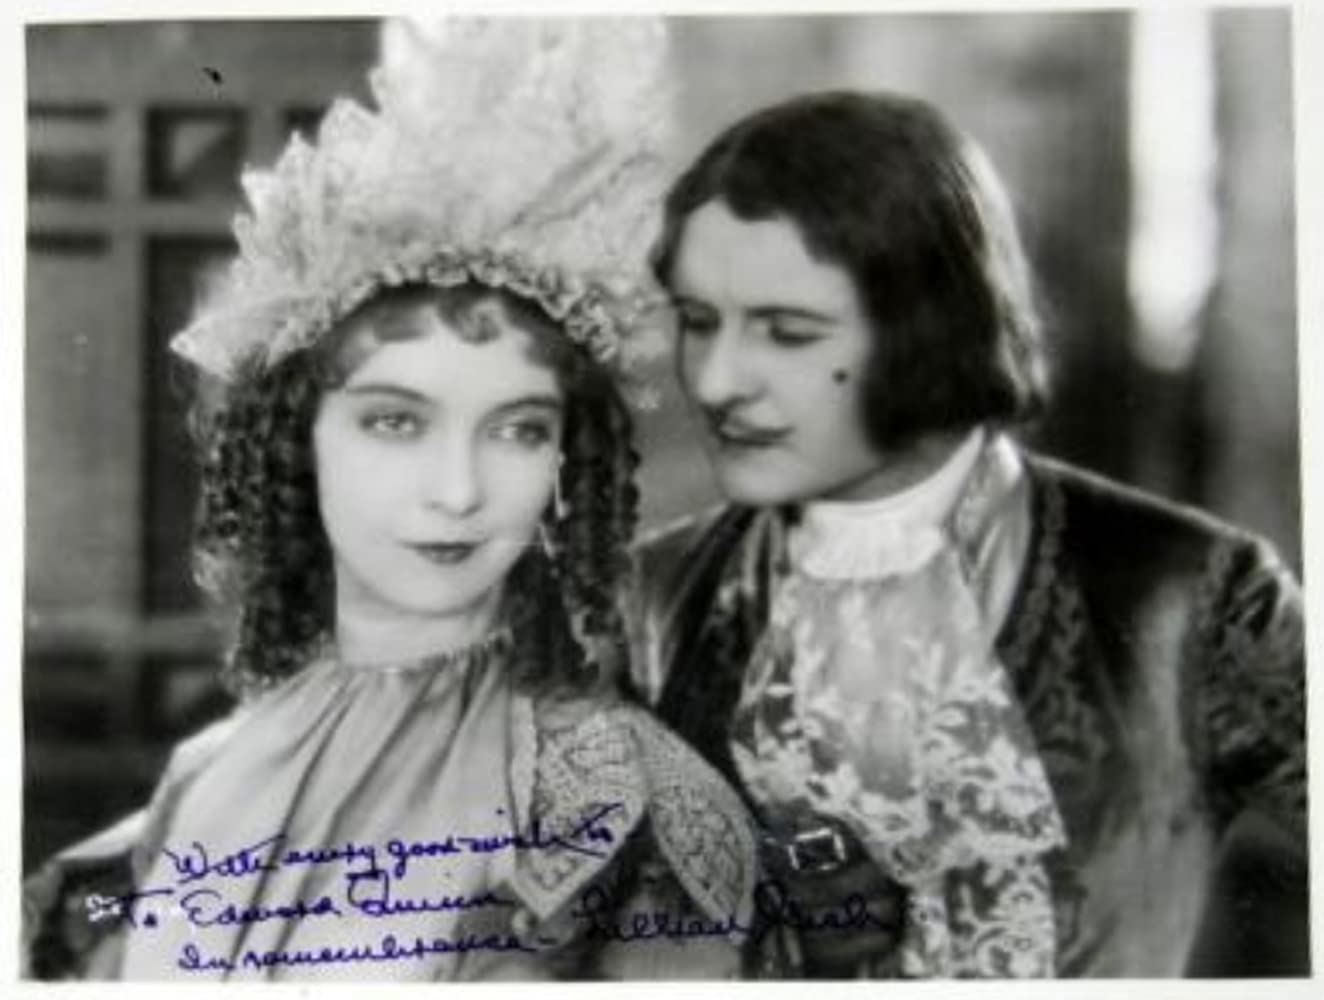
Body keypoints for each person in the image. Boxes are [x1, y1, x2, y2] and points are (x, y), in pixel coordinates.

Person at [21, 19, 757, 981]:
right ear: (298, 441)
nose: (458, 492)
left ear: (567, 464)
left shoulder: (627, 806)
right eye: (396, 422)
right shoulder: (211, 771)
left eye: (518, 429)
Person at [631, 90, 1308, 978]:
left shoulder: (1192, 595)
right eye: (696, 322)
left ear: (930, 330)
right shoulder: (639, 609)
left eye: (787, 333)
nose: (716, 381)